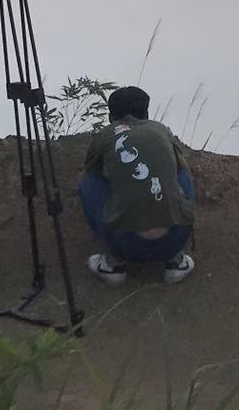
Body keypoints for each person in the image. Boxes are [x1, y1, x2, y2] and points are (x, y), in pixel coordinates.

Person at [77, 85, 197, 286]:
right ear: (147, 113)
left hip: (124, 244)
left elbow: (92, 169)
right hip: (174, 239)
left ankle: (113, 265)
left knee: (89, 181)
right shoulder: (161, 130)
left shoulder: (104, 135)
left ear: (110, 116)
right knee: (181, 173)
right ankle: (175, 263)